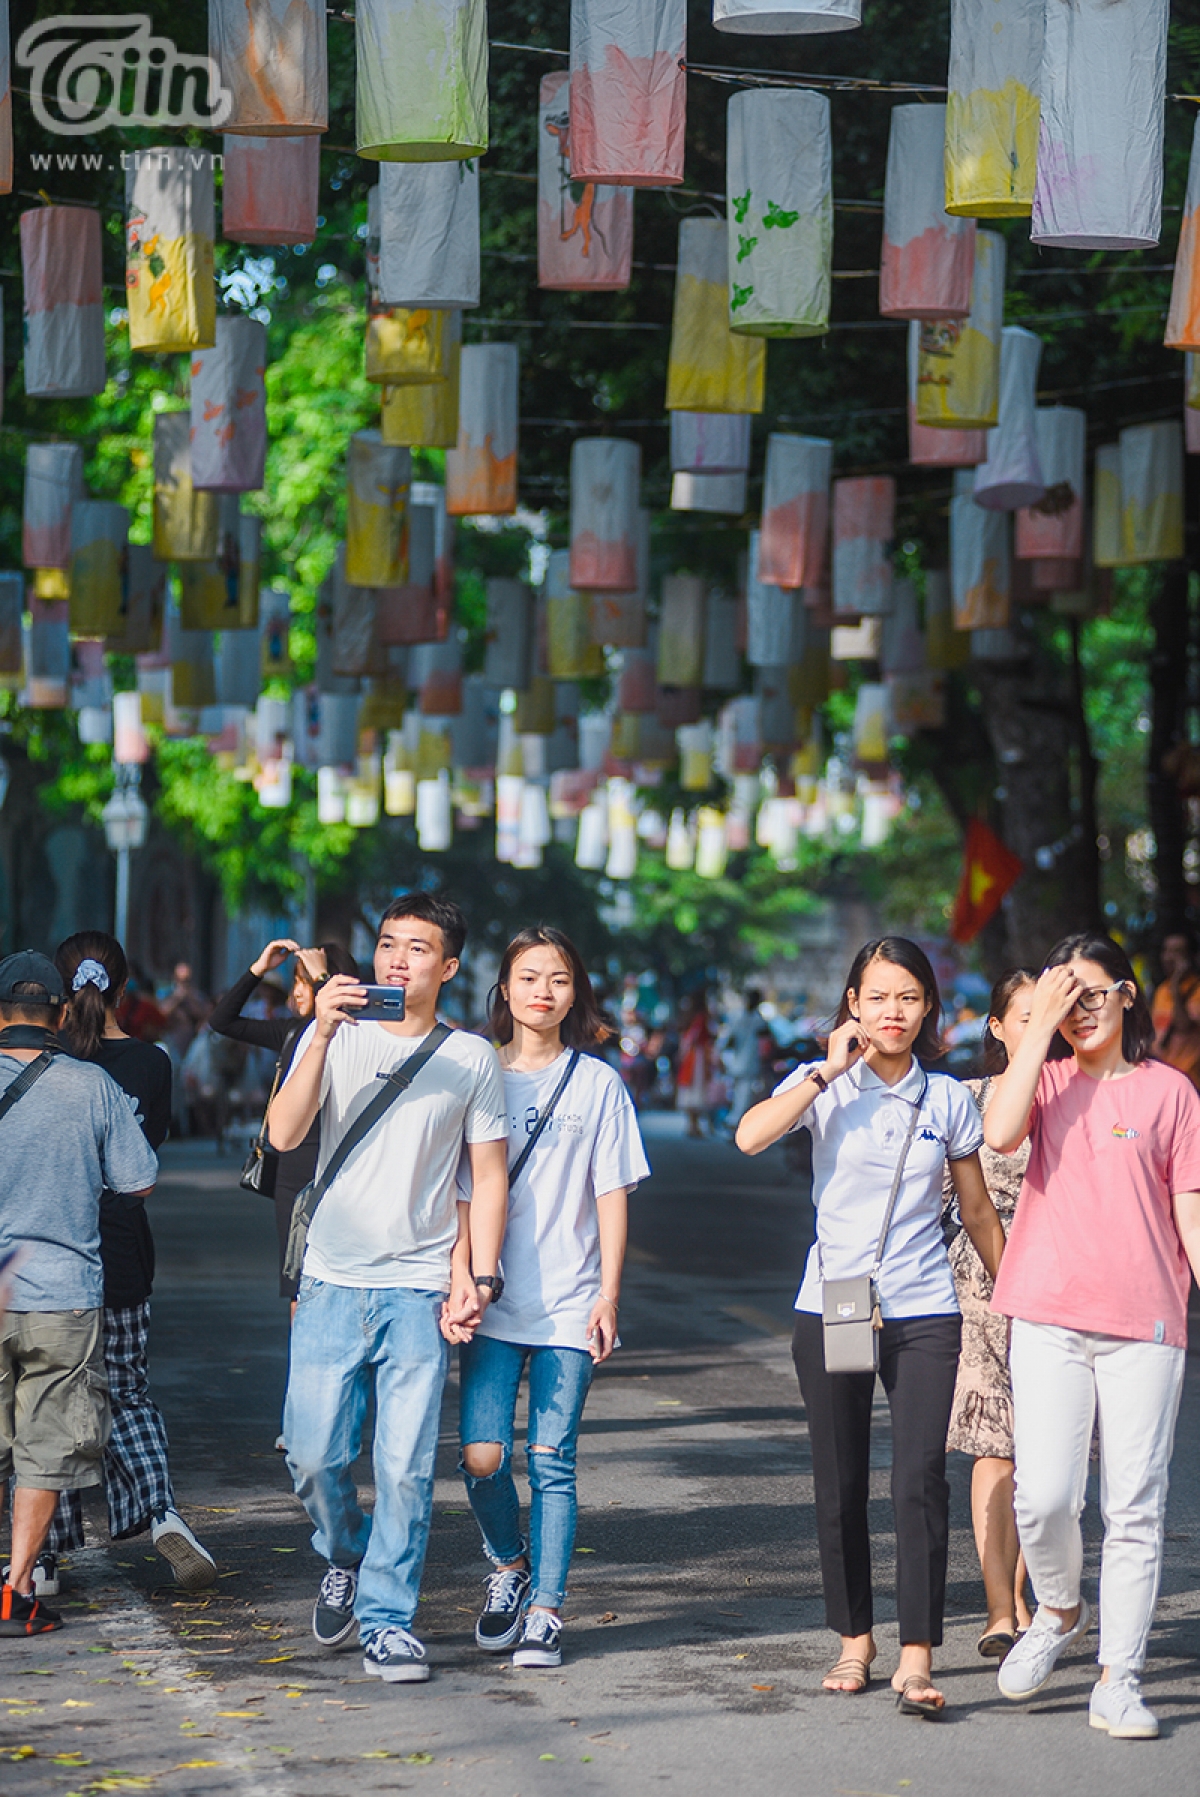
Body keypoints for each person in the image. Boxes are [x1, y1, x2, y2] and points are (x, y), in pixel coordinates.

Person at [736, 937, 1005, 1718]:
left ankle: (917, 1654)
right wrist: (825, 1068)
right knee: (840, 1481)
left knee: (919, 1478)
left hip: (924, 1310)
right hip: (835, 1305)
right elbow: (751, 1136)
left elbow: (979, 1210)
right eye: (878, 996)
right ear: (853, 1003)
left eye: (908, 997)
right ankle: (855, 1638)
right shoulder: (823, 1086)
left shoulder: (948, 1098)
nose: (893, 1011)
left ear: (928, 1009)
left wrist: (1018, 1295)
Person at [268, 892, 509, 1685]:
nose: (397, 959)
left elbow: (487, 1176)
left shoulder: (471, 1057)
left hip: (417, 1287)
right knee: (312, 1452)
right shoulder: (332, 1033)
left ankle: (387, 1618)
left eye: (417, 947)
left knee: (404, 1464)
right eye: (387, 943)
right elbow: (285, 1133)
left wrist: (477, 1274)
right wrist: (325, 1032)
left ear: (450, 965)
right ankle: (344, 1550)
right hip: (333, 1278)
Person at [985, 933, 1200, 1741]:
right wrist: (1037, 1022)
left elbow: (1191, 1208)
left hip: (1145, 1324)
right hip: (1046, 1314)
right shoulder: (1040, 1082)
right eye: (1064, 996)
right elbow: (1000, 1133)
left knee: (1136, 1505)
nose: (1080, 1009)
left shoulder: (1170, 1093)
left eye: (1092, 993)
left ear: (1128, 996)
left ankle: (1121, 1678)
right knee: (1043, 1495)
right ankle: (1060, 1609)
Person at [450, 926, 649, 1670]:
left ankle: (545, 1610)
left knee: (551, 1455)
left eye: (558, 978)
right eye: (528, 977)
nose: (543, 990)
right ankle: (509, 1564)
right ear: (503, 989)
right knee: (481, 1454)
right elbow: (462, 1193)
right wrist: (463, 1273)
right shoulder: (476, 1072)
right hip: (493, 1300)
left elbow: (611, 1194)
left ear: (575, 991)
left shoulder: (597, 1083)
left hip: (570, 1300)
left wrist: (609, 1294)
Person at [31, 934, 216, 1594]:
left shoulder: (42, 1063)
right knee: (127, 1392)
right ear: (124, 987)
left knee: (49, 1399)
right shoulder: (149, 1064)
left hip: (47, 1254)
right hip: (122, 1254)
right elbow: (146, 1160)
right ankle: (162, 1509)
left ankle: (45, 1556)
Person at [0, 952, 158, 1636]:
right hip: (62, 1294)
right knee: (45, 1443)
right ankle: (14, 1589)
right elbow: (139, 1180)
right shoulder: (92, 1085)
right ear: (62, 1015)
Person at [943, 970, 1036, 1660]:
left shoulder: (1076, 1100)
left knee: (1047, 1449)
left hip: (1062, 1280)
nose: (1038, 1029)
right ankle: (1002, 1606)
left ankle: (1032, 1596)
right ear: (998, 1028)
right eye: (1023, 1016)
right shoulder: (966, 1100)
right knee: (994, 1442)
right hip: (981, 1281)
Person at [209, 937, 360, 1300]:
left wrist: (323, 978)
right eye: (296, 982)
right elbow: (222, 1020)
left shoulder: (358, 1032)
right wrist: (259, 969)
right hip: (293, 1171)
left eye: (303, 981)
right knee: (297, 1284)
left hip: (344, 1169)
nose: (296, 991)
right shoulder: (293, 1031)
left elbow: (343, 1025)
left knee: (343, 1279)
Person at [1150, 927, 1200, 1090]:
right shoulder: (1161, 991)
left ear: (1191, 957)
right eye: (1166, 951)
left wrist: (1177, 987)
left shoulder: (1197, 990)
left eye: (1177, 952)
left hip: (1191, 1083)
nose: (1169, 958)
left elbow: (1183, 1026)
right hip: (1164, 1083)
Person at [723, 987, 769, 1129]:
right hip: (746, 1063)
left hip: (740, 1062)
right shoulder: (757, 1020)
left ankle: (734, 1120)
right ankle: (735, 1121)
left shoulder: (739, 1017)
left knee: (740, 1094)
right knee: (743, 1095)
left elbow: (728, 1041)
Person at [676, 993, 713, 1138]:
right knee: (696, 1089)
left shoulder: (688, 1018)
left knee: (690, 1090)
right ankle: (694, 1125)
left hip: (689, 1057)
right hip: (697, 1057)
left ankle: (692, 1125)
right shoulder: (701, 1018)